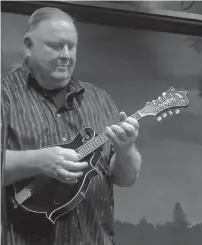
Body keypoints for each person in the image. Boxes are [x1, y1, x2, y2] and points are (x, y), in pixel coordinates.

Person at [1, 7, 142, 245]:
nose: (66, 54)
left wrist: (126, 149)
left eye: (71, 46)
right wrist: (38, 161)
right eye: (55, 46)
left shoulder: (100, 99)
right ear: (28, 46)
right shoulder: (5, 96)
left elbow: (126, 178)